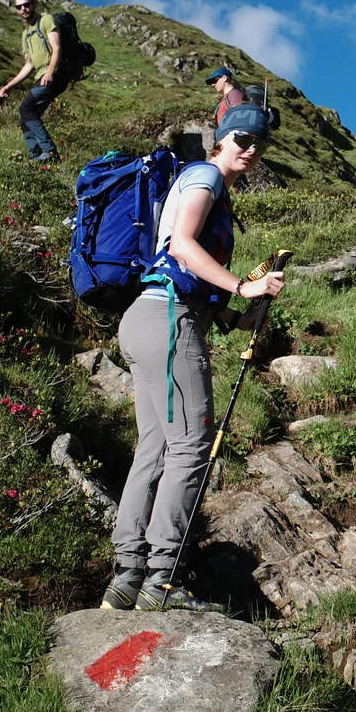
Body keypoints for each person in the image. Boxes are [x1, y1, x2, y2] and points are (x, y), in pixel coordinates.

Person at [101, 103, 286, 613]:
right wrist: (244, 286)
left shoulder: (202, 183)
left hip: (147, 319)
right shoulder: (205, 176)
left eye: (259, 143)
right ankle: (163, 580)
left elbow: (184, 268)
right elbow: (182, 246)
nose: (251, 149)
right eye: (242, 139)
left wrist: (235, 316)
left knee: (155, 449)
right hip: (168, 321)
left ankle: (127, 577)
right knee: (190, 447)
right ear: (221, 138)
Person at [0, 0, 71, 162]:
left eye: (26, 5)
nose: (23, 9)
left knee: (26, 109)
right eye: (19, 7)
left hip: (55, 74)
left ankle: (49, 152)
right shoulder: (26, 34)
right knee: (25, 117)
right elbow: (29, 64)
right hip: (41, 75)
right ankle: (37, 156)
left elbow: (57, 47)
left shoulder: (46, 20)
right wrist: (10, 85)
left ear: (34, 4)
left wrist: (50, 71)